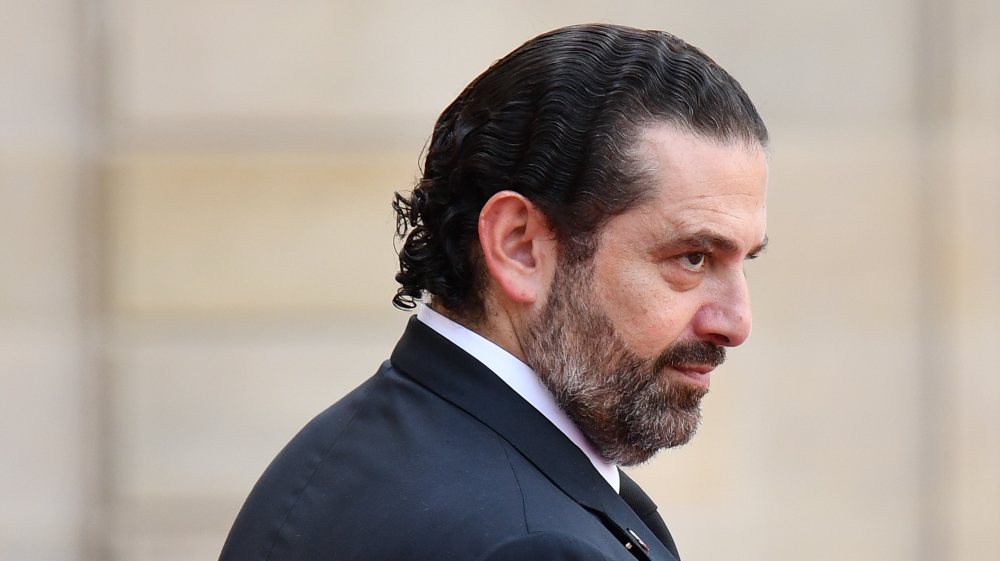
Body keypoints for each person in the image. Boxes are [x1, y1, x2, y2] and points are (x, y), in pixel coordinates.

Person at [220, 23, 768, 561]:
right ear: (519, 247)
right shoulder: (530, 544)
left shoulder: (339, 457)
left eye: (744, 260)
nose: (737, 322)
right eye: (693, 258)